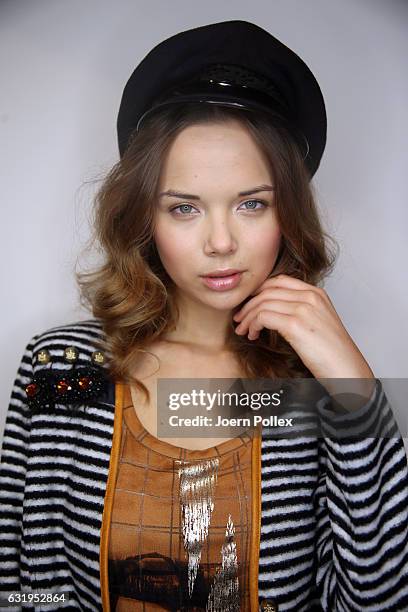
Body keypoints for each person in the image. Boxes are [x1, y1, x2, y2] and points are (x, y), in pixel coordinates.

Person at [0, 19, 407, 612]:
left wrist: (358, 397)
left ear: (287, 213)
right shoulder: (61, 365)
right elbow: (24, 582)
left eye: (252, 203)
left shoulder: (307, 391)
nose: (221, 242)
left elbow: (379, 599)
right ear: (146, 219)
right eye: (185, 208)